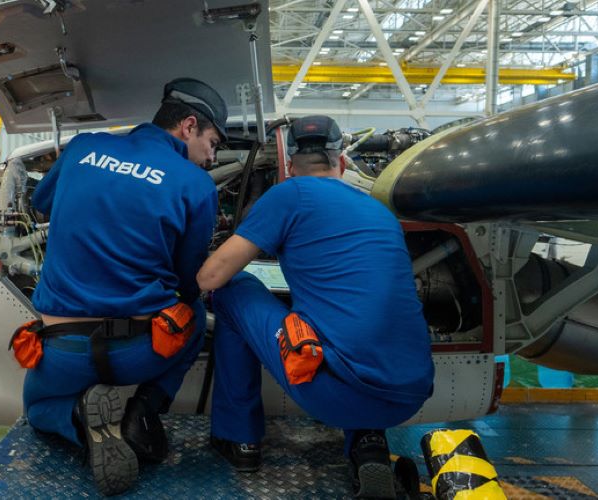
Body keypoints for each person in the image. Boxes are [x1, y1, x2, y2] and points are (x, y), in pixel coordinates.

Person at [197, 115, 434, 498]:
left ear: (290, 165)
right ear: (340, 162)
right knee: (349, 329)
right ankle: (368, 445)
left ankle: (239, 439)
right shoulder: (378, 211)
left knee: (231, 290)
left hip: (332, 394)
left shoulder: (290, 193)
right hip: (410, 393)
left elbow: (211, 278)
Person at [23, 78, 226, 495]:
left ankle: (81, 418)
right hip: (141, 349)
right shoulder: (197, 185)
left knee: (38, 408)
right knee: (189, 327)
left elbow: (41, 203)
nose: (212, 157)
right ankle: (142, 415)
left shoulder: (82, 147)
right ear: (188, 126)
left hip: (62, 346)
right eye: (213, 143)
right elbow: (189, 280)